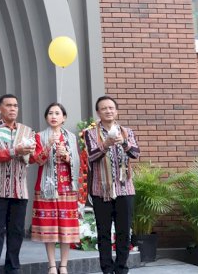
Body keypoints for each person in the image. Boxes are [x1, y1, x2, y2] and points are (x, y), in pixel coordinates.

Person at [0, 94, 39, 274]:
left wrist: (38, 152)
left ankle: (12, 265)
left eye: (15, 105)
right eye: (8, 105)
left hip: (19, 189)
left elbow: (35, 158)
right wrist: (16, 150)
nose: (13, 109)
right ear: (0, 108)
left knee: (17, 231)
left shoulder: (28, 131)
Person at [85, 96, 140, 274]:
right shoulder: (90, 133)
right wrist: (106, 145)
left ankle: (122, 268)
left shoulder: (127, 131)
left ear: (116, 111)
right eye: (104, 109)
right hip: (101, 190)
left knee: (124, 231)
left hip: (125, 189)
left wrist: (123, 143)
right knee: (104, 233)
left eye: (111, 108)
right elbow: (91, 157)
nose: (108, 111)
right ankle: (107, 270)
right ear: (98, 112)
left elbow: (135, 153)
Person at [31, 103, 81, 274]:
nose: (53, 116)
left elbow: (77, 163)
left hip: (67, 187)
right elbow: (37, 160)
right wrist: (48, 146)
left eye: (57, 113)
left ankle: (64, 265)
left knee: (66, 227)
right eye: (50, 113)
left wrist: (66, 155)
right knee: (50, 227)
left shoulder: (71, 138)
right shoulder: (39, 136)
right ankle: (52, 264)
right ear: (46, 117)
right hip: (47, 188)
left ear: (64, 117)